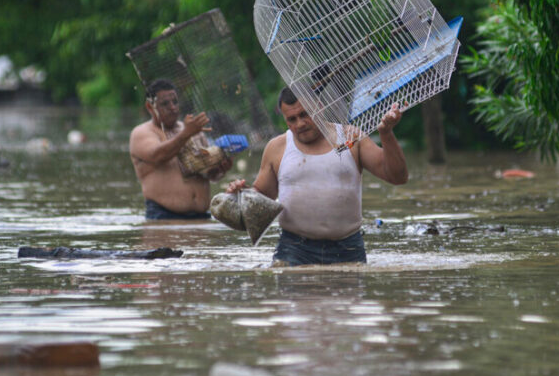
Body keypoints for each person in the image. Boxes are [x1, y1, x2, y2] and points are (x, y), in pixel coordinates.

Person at [227, 87, 408, 266]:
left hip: (348, 247)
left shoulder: (350, 137)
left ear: (320, 108)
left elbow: (398, 177)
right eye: (292, 119)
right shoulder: (277, 147)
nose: (300, 124)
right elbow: (262, 197)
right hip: (294, 248)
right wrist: (242, 194)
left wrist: (386, 134)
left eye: (305, 114)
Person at [129, 78, 232, 220]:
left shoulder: (193, 129)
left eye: (175, 101)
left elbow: (208, 174)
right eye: (165, 103)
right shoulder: (142, 132)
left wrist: (220, 170)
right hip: (163, 217)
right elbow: (158, 155)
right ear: (150, 107)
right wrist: (186, 133)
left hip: (202, 217)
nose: (172, 107)